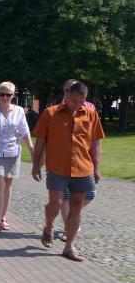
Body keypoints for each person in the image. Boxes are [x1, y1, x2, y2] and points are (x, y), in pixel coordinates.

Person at [33, 81, 104, 261]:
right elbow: (40, 141)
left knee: (77, 206)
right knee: (56, 203)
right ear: (67, 96)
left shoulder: (90, 113)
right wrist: (35, 165)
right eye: (74, 101)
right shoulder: (50, 113)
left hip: (83, 167)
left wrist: (96, 168)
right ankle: (49, 226)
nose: (77, 105)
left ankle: (69, 245)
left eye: (81, 101)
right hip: (57, 167)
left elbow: (95, 142)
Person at [0, 82, 34, 233]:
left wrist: (31, 149)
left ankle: (4, 217)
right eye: (2, 94)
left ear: (13, 95)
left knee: (8, 185)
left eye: (9, 95)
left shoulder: (19, 111)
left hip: (13, 151)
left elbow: (24, 131)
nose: (5, 97)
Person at [57, 79, 97, 240]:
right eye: (67, 90)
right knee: (66, 197)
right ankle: (68, 229)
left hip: (84, 161)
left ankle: (73, 217)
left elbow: (95, 137)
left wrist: (96, 163)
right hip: (63, 164)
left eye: (71, 89)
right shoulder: (58, 109)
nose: (69, 93)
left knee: (91, 194)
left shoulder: (90, 108)